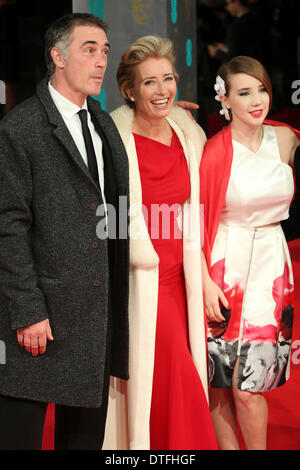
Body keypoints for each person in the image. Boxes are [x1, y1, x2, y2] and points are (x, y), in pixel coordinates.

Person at [0, 13, 130, 450]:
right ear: (57, 56)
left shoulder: (103, 123)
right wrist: (28, 311)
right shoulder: (20, 128)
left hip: (94, 319)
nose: (100, 62)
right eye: (88, 49)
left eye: (104, 51)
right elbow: (8, 227)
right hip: (38, 324)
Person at [103, 35, 218, 450]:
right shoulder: (112, 140)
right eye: (149, 82)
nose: (163, 89)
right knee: (177, 377)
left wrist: (203, 276)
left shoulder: (189, 133)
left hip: (182, 276)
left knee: (169, 380)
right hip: (142, 281)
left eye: (167, 78)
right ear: (129, 91)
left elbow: (196, 215)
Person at [200, 55, 300, 450]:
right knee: (220, 381)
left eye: (261, 89)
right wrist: (205, 281)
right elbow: (195, 223)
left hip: (271, 272)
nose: (257, 100)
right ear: (224, 100)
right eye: (244, 92)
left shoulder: (287, 138)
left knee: (250, 386)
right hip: (224, 269)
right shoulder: (212, 151)